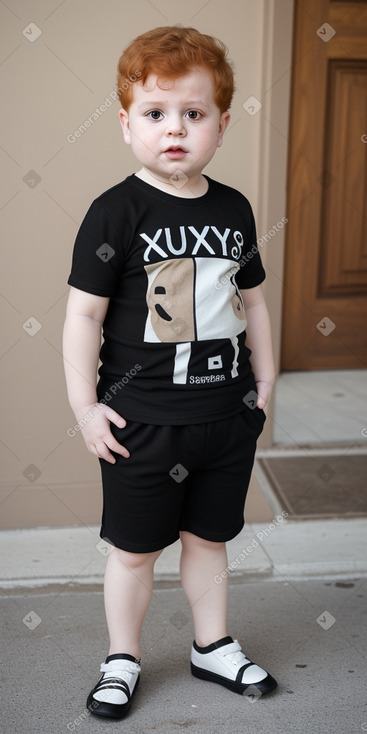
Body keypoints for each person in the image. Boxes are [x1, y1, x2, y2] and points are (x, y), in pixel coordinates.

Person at [63, 25, 277, 720]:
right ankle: (121, 656)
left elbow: (253, 303)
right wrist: (87, 408)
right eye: (155, 114)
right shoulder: (116, 210)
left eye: (194, 113)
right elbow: (83, 320)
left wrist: (264, 386)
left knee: (209, 540)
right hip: (142, 424)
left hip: (221, 418)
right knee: (132, 552)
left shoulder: (233, 208)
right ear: (126, 125)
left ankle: (210, 644)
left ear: (220, 123)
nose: (174, 129)